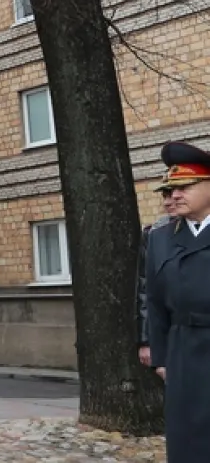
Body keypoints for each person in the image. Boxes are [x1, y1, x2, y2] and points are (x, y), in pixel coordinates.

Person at [145, 140, 210, 462]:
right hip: (183, 348)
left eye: (186, 186)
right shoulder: (160, 238)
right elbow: (154, 302)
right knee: (187, 438)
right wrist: (161, 358)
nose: (176, 195)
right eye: (172, 188)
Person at [138, 174, 175, 368]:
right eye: (165, 196)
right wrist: (146, 341)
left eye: (174, 194)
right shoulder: (153, 234)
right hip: (170, 333)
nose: (169, 202)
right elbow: (146, 291)